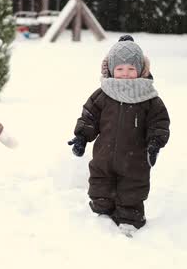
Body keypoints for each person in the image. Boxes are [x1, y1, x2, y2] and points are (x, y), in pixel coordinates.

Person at [68, 40, 170, 233]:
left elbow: (159, 122)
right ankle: (102, 216)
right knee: (100, 188)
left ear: (141, 70)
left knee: (132, 190)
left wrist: (155, 143)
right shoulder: (103, 94)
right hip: (103, 157)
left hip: (135, 161)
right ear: (111, 69)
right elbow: (89, 116)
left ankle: (128, 221)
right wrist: (82, 137)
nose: (125, 74)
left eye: (131, 68)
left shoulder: (149, 99)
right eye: (120, 68)